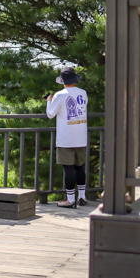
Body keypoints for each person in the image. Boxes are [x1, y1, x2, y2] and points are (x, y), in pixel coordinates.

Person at [46, 67, 89, 208]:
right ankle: (82, 197)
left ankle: (70, 199)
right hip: (81, 136)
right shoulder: (83, 93)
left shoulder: (60, 95)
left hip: (66, 138)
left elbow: (50, 114)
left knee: (68, 169)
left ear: (63, 81)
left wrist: (48, 101)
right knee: (79, 167)